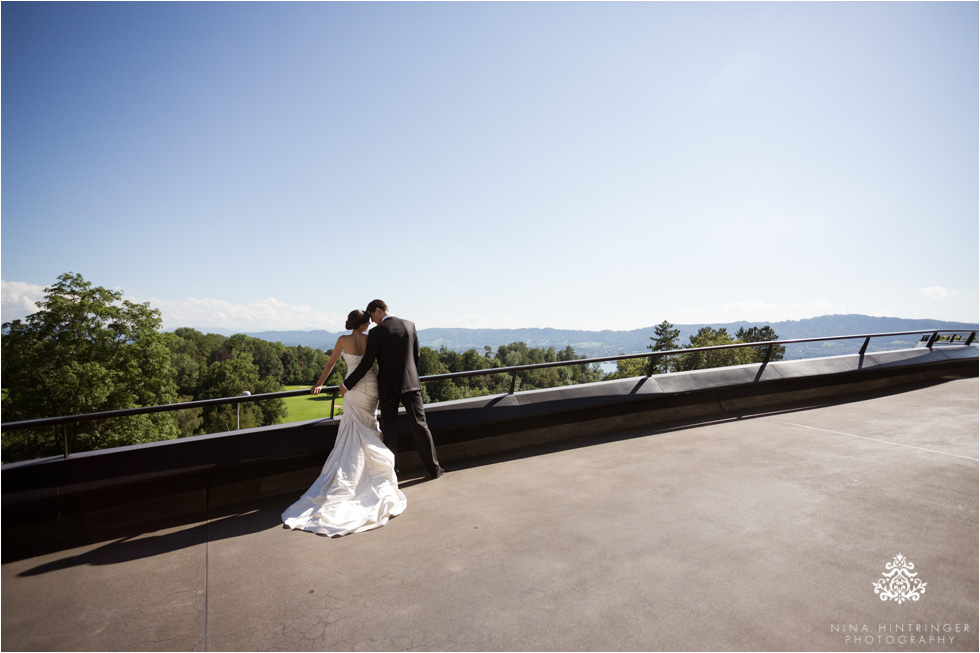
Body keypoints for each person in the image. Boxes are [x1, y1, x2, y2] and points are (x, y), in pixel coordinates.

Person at [281, 309, 407, 536]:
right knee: (368, 427)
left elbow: (330, 364)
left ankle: (352, 476)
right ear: (363, 323)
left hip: (353, 388)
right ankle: (375, 473)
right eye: (367, 322)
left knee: (352, 429)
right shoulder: (371, 339)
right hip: (372, 389)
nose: (370, 325)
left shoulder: (342, 339)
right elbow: (378, 363)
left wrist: (319, 384)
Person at [341, 299, 444, 479]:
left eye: (372, 316)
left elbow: (367, 363)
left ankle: (391, 474)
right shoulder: (410, 325)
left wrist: (346, 384)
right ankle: (435, 469)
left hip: (388, 386)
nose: (372, 321)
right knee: (421, 426)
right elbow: (415, 356)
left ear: (378, 310)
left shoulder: (376, 332)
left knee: (390, 430)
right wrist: (409, 376)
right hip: (411, 384)